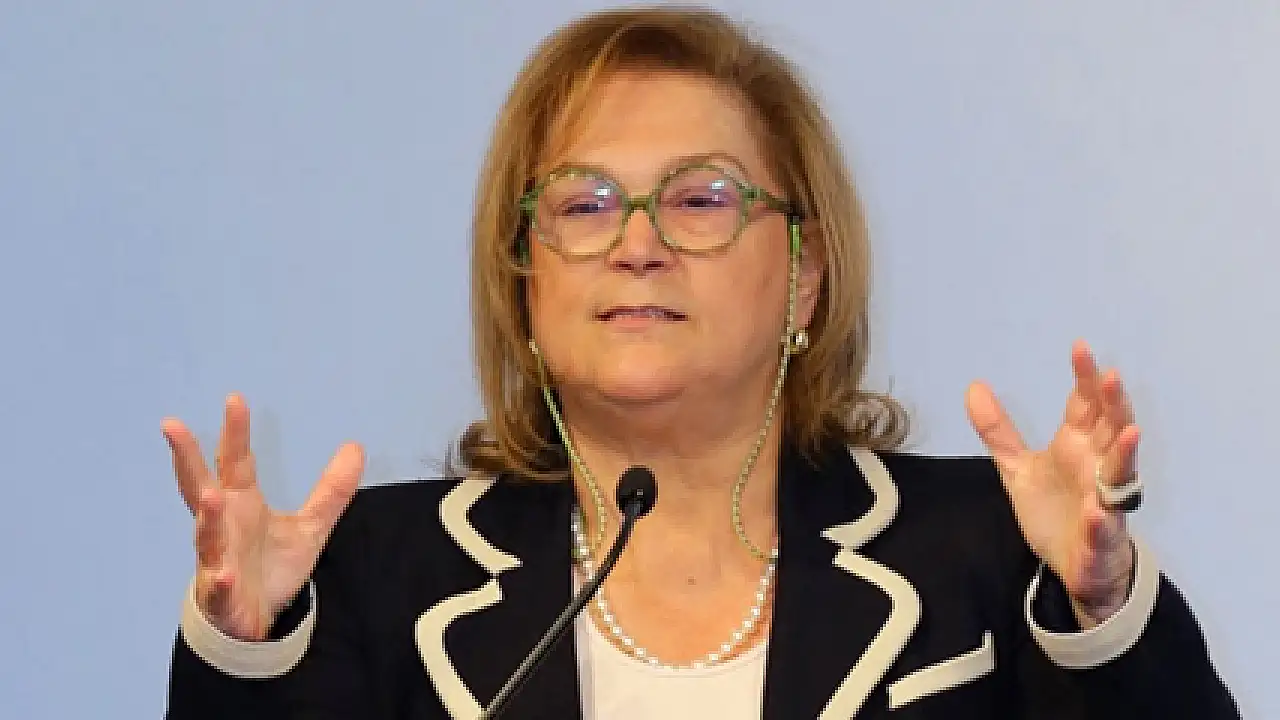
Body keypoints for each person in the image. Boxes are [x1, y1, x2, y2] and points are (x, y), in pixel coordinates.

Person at [162, 6, 1239, 719]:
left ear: (804, 276)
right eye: (584, 204)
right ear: (523, 279)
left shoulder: (987, 554)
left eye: (700, 198)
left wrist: (1102, 612)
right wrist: (244, 661)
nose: (637, 243)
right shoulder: (371, 577)